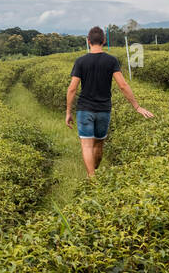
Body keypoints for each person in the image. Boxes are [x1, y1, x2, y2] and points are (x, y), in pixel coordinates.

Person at [64, 26, 154, 177]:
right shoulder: (111, 60)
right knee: (99, 144)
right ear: (104, 41)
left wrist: (68, 112)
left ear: (88, 41)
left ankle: (91, 178)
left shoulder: (80, 61)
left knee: (86, 145)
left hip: (84, 109)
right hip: (104, 110)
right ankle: (94, 174)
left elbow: (72, 88)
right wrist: (136, 106)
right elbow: (123, 85)